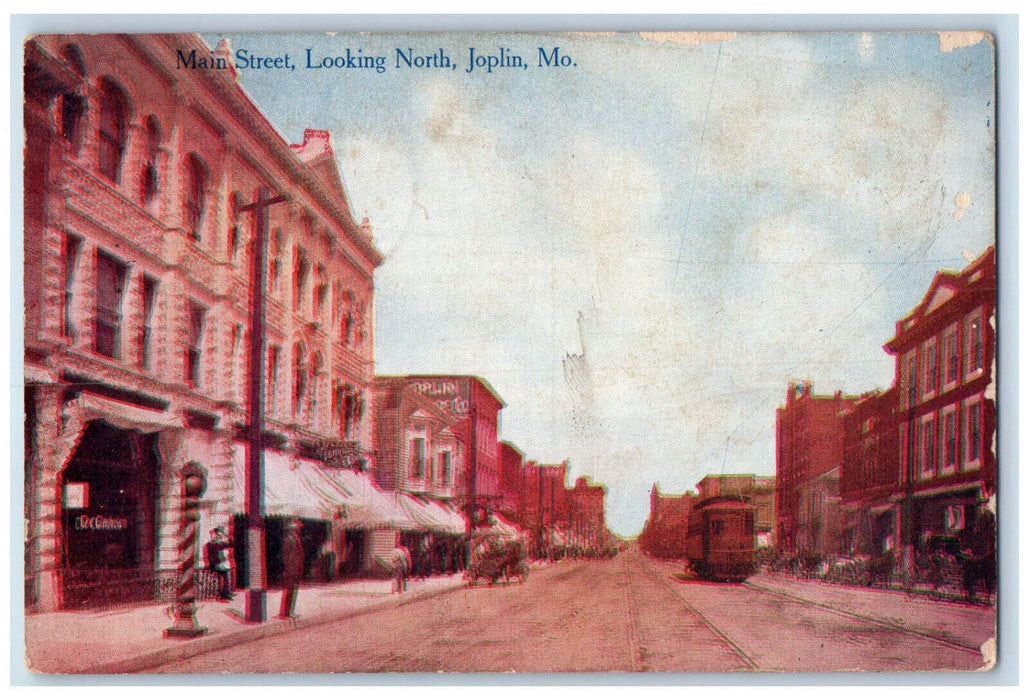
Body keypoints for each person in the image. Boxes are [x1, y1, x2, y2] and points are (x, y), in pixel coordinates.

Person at [279, 519, 304, 619]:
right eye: (296, 529)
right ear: (292, 529)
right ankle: (286, 612)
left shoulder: (296, 539)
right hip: (291, 569)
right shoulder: (288, 539)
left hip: (296, 568)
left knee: (294, 591)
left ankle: (291, 611)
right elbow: (286, 556)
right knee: (289, 591)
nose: (298, 530)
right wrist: (289, 568)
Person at [203, 526, 233, 601]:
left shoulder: (218, 543)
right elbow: (208, 555)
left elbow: (230, 544)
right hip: (214, 564)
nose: (215, 536)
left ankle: (226, 593)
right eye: (214, 535)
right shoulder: (210, 544)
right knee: (225, 574)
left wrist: (224, 538)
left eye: (216, 535)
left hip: (218, 564)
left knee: (226, 574)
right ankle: (225, 594)